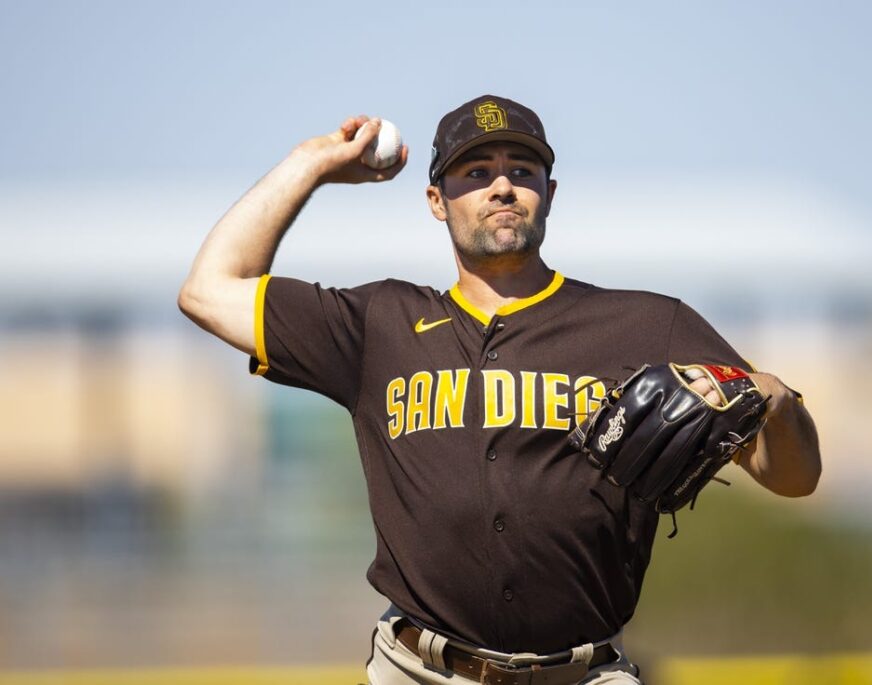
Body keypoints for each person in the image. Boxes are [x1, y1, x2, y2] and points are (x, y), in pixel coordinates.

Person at [178, 94, 821, 685]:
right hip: (419, 670)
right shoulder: (378, 326)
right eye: (476, 172)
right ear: (437, 200)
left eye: (522, 169)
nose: (502, 186)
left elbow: (793, 477)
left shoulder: (649, 324)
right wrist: (310, 164)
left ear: (550, 192)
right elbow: (207, 291)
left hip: (585, 671)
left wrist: (772, 395)